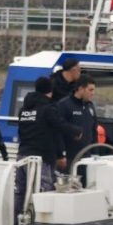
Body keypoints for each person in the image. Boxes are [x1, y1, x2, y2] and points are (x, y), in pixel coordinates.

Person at [15, 76, 81, 211]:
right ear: (50, 90)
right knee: (44, 190)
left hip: (22, 156)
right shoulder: (47, 108)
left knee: (20, 191)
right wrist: (76, 131)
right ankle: (41, 224)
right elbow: (59, 125)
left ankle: (16, 224)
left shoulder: (24, 110)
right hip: (40, 158)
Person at [58, 74, 98, 165]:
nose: (93, 93)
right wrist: (61, 154)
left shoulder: (90, 106)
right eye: (90, 90)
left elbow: (94, 131)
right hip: (69, 157)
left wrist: (96, 153)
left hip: (87, 158)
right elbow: (58, 131)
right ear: (80, 89)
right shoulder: (64, 105)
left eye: (94, 90)